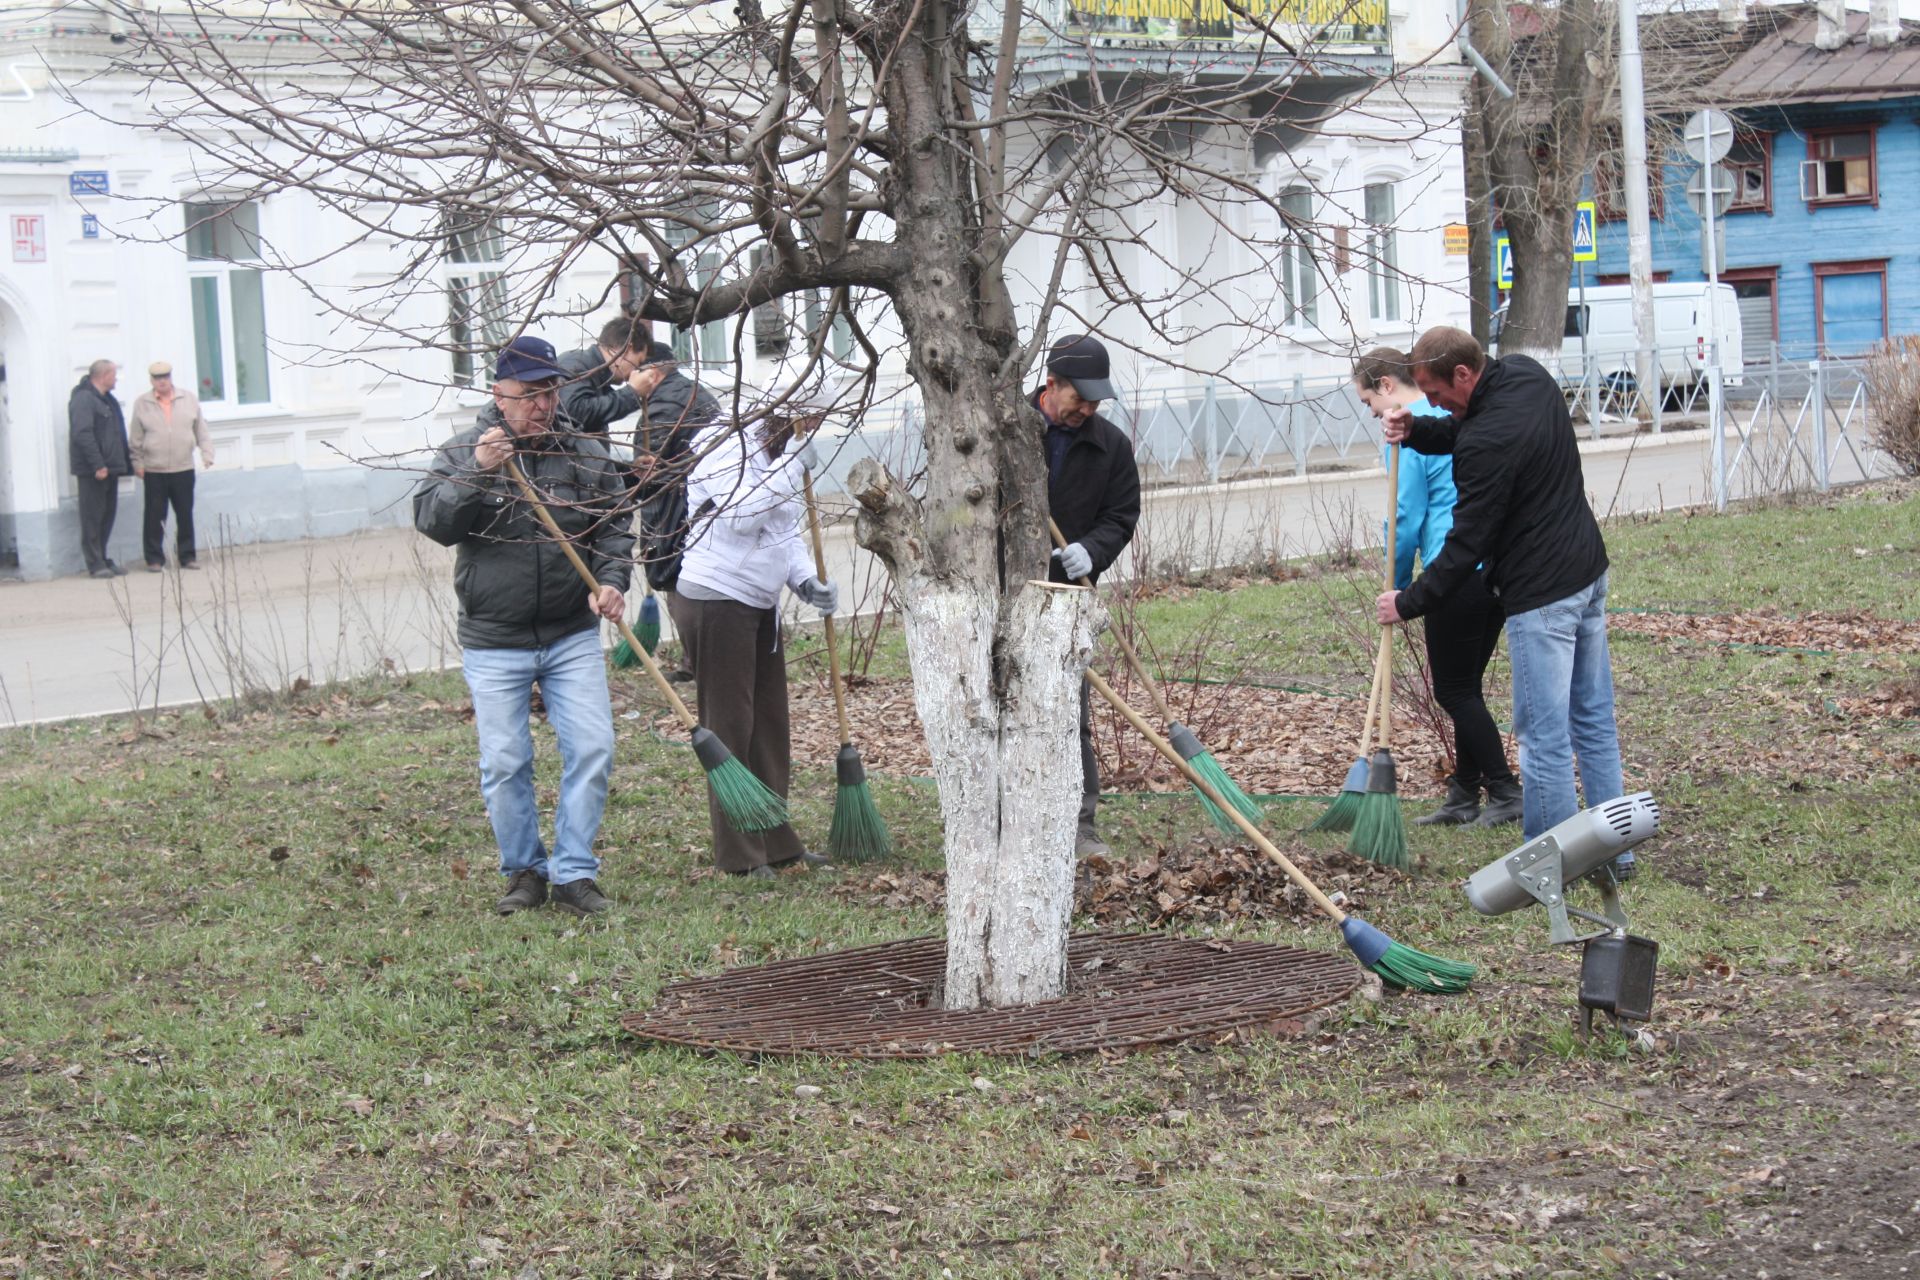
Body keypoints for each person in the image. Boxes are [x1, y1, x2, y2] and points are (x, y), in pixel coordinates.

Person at [1376, 327, 1630, 877]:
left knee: (1542, 733)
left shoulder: (1485, 444)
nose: (1432, 402)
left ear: (1464, 374)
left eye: (1435, 393)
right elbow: (1466, 426)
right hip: (1589, 572)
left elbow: (1466, 545)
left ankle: (1551, 861)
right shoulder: (1525, 377)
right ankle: (1616, 852)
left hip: (1543, 596)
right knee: (1591, 719)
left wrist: (1409, 600)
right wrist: (1418, 428)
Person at [414, 335, 634, 916]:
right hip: (495, 638)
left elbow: (613, 526)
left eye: (550, 392)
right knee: (506, 762)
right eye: (529, 395)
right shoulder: (467, 449)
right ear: (498, 393)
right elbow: (434, 522)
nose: (541, 406)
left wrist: (612, 580)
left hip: (569, 634)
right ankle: (524, 871)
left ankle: (573, 873)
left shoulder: (583, 450)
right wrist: (477, 474)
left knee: (593, 746)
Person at [1352, 347, 1520, 828]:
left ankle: (1506, 791)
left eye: (1368, 401)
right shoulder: (1454, 412)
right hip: (1493, 569)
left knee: (1453, 691)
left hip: (1454, 569)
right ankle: (1464, 793)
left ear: (1387, 385)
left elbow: (1406, 517)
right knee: (1466, 687)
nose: (1373, 414)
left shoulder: (1405, 429)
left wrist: (1400, 589)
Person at [670, 406, 838, 879]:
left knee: (768, 723)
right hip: (715, 601)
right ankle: (741, 855)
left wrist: (805, 580)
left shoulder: (779, 448)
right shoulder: (722, 445)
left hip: (758, 604)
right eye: (809, 417)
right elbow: (741, 516)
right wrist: (791, 465)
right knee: (730, 727)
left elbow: (782, 531)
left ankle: (777, 841)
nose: (815, 427)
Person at [1034, 334, 1141, 859]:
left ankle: (1080, 826)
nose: (1090, 409)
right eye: (1081, 397)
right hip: (1002, 594)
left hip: (1067, 599)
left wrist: (1090, 551)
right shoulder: (1008, 432)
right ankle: (1011, 819)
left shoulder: (1111, 447)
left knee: (1069, 715)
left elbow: (1121, 517)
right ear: (1051, 385)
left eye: (1098, 399)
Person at [129, 361, 215, 572]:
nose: (162, 382)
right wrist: (137, 463)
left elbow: (201, 430)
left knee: (185, 514)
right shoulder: (142, 403)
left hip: (183, 467)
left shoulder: (188, 399)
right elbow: (136, 438)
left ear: (171, 378)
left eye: (165, 378)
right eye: (158, 379)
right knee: (154, 516)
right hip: (154, 469)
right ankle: (154, 559)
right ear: (152, 381)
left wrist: (207, 453)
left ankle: (187, 556)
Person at [68, 359, 131, 579]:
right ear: (103, 376)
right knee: (92, 517)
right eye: (113, 375)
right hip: (93, 470)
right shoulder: (84, 399)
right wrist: (98, 464)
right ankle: (94, 563)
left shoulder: (106, 399)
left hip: (109, 467)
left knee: (106, 515)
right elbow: (83, 434)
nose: (115, 379)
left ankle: (102, 557)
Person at [556, 316, 668, 437]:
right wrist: (633, 392)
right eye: (639, 363)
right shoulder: (576, 364)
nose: (636, 371)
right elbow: (575, 414)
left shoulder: (599, 375)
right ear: (627, 349)